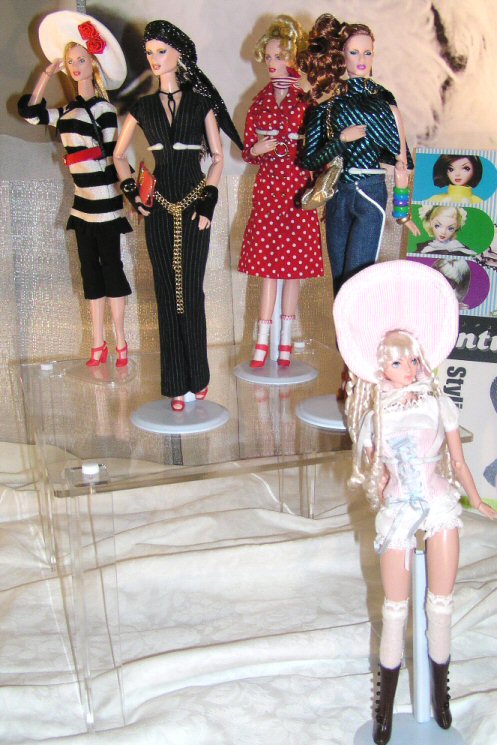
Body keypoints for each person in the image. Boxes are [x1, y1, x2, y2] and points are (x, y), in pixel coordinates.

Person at [333, 260, 497, 745]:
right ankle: (384, 708)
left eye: (412, 360)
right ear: (379, 367)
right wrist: (385, 487)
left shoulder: (437, 401)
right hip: (398, 511)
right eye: (397, 362)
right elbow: (377, 470)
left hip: (440, 503)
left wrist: (477, 500)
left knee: (440, 604)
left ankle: (440, 696)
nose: (408, 368)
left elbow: (458, 461)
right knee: (395, 609)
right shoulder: (374, 416)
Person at [113, 20, 242, 411]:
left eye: (161, 51)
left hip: (194, 204)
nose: (154, 59)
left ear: (179, 54)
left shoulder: (201, 105)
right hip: (158, 208)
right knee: (166, 292)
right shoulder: (142, 108)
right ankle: (174, 382)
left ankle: (198, 376)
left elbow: (217, 158)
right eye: (149, 53)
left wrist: (208, 200)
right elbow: (118, 155)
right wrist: (133, 193)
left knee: (192, 291)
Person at [18, 10, 132, 368]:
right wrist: (45, 75)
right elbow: (31, 114)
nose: (76, 67)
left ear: (93, 63)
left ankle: (121, 341)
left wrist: (130, 193)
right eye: (70, 62)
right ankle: (97, 343)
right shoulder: (65, 112)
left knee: (112, 269)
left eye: (81, 60)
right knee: (90, 273)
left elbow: (116, 155)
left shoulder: (105, 109)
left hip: (107, 204)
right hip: (82, 206)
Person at [298, 14, 419, 297]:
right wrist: (340, 141)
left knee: (359, 279)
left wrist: (402, 213)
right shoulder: (327, 107)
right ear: (341, 56)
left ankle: (363, 326)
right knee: (339, 281)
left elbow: (402, 164)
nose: (362, 59)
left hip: (370, 191)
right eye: (354, 52)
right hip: (338, 193)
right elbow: (308, 160)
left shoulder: (385, 102)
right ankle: (341, 329)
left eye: (367, 52)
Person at [238, 15, 323, 368]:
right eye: (270, 57)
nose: (273, 63)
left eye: (281, 57)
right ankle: (262, 341)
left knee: (294, 270)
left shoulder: (306, 100)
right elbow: (248, 149)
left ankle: (286, 340)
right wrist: (257, 150)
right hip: (270, 190)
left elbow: (318, 146)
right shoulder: (259, 102)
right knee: (268, 270)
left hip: (299, 189)